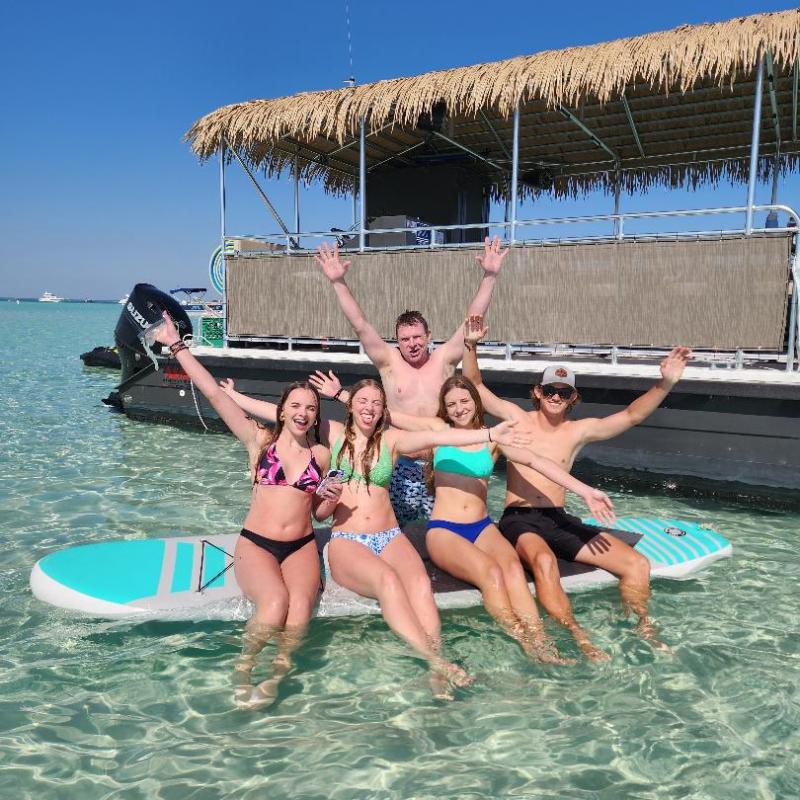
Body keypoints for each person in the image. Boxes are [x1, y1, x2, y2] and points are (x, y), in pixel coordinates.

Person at [223, 376, 529, 697]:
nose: (369, 408)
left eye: (376, 403)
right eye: (363, 401)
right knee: (388, 582)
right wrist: (234, 396)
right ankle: (435, 661)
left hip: (390, 535)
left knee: (421, 585)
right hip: (348, 540)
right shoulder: (333, 432)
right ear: (351, 405)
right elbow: (280, 411)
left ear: (384, 410)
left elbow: (436, 436)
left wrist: (490, 433)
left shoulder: (391, 441)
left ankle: (436, 667)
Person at [313, 371, 616, 662]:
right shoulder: (437, 430)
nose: (459, 409)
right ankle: (524, 642)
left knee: (512, 569)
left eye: (465, 401)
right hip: (445, 528)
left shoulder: (493, 438)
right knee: (492, 574)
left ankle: (540, 640)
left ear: (475, 401)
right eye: (452, 404)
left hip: (483, 527)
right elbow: (382, 415)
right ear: (444, 409)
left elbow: (536, 461)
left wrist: (585, 491)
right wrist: (340, 395)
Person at [462, 315, 692, 650]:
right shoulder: (516, 419)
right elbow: (474, 385)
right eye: (550, 390)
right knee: (543, 562)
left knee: (636, 564)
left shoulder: (577, 431)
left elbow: (632, 416)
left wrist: (665, 383)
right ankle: (578, 636)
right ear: (537, 392)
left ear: (572, 398)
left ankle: (642, 627)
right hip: (519, 518)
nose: (556, 397)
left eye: (564, 392)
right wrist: (471, 346)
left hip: (559, 518)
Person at [152, 312, 343, 709]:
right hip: (257, 545)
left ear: (316, 415)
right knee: (274, 605)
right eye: (296, 405)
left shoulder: (322, 455)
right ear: (282, 409)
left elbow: (321, 514)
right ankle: (243, 668)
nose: (303, 412)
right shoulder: (260, 443)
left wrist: (331, 498)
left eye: (310, 407)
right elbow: (215, 394)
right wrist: (176, 346)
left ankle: (277, 674)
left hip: (302, 546)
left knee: (300, 610)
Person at [313, 236, 509, 528]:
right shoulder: (389, 362)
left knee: (445, 528)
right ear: (397, 342)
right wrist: (338, 283)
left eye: (418, 337)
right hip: (399, 463)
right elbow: (360, 325)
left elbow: (473, 320)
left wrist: (490, 276)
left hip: (439, 462)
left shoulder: (444, 359)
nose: (412, 344)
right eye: (405, 339)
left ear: (429, 336)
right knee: (393, 528)